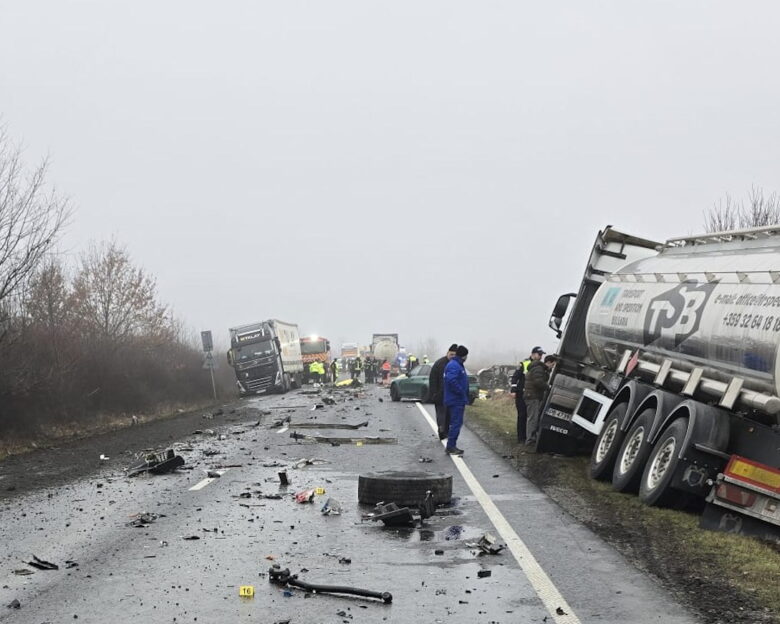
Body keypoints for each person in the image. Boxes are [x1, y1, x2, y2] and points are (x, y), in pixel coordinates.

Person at [510, 347, 543, 443]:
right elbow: (515, 377)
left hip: (531, 394)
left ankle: (528, 436)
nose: (541, 356)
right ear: (533, 354)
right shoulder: (525, 363)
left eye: (541, 355)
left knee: (530, 416)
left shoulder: (540, 366)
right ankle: (521, 437)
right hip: (521, 393)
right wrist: (514, 390)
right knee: (522, 415)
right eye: (539, 354)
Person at [524, 353, 556, 447]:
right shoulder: (539, 369)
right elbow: (538, 382)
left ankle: (531, 438)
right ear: (549, 362)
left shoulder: (540, 369)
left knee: (533, 418)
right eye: (553, 364)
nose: (553, 367)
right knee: (532, 419)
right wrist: (548, 387)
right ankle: (530, 440)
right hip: (533, 396)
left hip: (532, 395)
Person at [443, 345, 470, 455]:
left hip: (457, 399)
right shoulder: (455, 365)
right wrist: (460, 391)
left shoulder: (457, 364)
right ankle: (451, 446)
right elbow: (451, 380)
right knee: (456, 423)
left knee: (456, 423)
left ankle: (451, 445)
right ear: (463, 355)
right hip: (455, 399)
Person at [428, 344, 458, 440]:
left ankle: (446, 432)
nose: (453, 357)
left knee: (449, 415)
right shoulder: (439, 364)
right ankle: (441, 430)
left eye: (455, 355)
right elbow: (432, 379)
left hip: (451, 395)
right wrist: (434, 393)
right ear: (447, 353)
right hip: (440, 395)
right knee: (441, 414)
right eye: (451, 354)